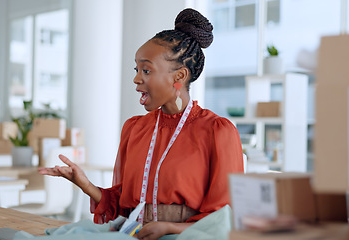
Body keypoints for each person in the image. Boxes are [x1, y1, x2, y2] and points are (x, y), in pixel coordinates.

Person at [38, 8, 244, 240]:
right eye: (136, 69)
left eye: (146, 70)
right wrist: (86, 185)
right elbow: (122, 208)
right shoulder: (135, 128)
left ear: (179, 76)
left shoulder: (217, 132)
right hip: (135, 234)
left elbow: (223, 219)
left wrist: (170, 228)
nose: (136, 78)